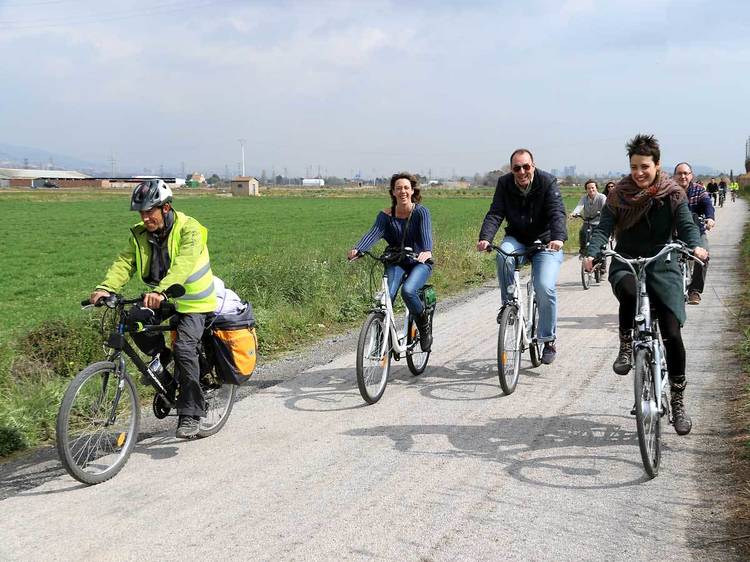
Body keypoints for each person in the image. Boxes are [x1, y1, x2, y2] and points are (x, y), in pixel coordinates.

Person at [584, 134, 708, 435]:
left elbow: (688, 225)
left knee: (671, 332)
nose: (639, 173)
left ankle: (677, 400)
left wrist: (695, 246)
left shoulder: (671, 193)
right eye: (634, 167)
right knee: (627, 291)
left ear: (657, 165)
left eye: (645, 167)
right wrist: (592, 253)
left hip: (662, 263)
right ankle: (626, 344)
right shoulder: (619, 194)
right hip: (627, 259)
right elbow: (603, 229)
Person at [90, 179, 218, 439]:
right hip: (163, 298)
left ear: (166, 208)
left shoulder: (190, 229)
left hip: (194, 300)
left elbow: (183, 263)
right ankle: (163, 360)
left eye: (150, 211)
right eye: (141, 212)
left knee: (184, 347)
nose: (145, 217)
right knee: (134, 318)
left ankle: (191, 413)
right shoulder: (140, 234)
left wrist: (161, 290)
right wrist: (105, 288)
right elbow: (124, 263)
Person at [477, 148, 567, 364]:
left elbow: (557, 212)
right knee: (504, 256)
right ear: (511, 169)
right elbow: (496, 212)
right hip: (517, 237)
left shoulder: (547, 182)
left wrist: (558, 238)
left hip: (546, 241)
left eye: (526, 166)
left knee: (545, 287)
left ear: (533, 166)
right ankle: (508, 304)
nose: (522, 171)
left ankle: (547, 339)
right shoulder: (504, 183)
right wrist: (485, 238)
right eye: (517, 168)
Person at [347, 172, 434, 351]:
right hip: (396, 260)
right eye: (398, 188)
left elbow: (426, 235)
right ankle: (381, 340)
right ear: (393, 192)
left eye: (406, 188)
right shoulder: (385, 215)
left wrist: (426, 251)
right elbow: (374, 233)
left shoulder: (420, 212)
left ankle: (424, 329)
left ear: (412, 191)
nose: (402, 191)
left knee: (409, 291)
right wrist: (359, 249)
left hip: (419, 261)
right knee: (385, 299)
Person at [673, 162, 715, 305]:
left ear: (691, 175)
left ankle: (694, 290)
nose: (683, 176)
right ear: (674, 176)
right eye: (679, 173)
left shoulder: (699, 190)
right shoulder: (669, 191)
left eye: (686, 173)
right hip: (674, 234)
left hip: (697, 232)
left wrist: (710, 218)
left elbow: (708, 205)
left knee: (704, 256)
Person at [569, 179, 607, 258]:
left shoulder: (602, 197)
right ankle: (583, 251)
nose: (591, 190)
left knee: (600, 240)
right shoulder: (584, 198)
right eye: (588, 188)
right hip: (588, 221)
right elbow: (579, 206)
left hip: (599, 222)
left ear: (596, 188)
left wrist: (603, 213)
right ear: (586, 189)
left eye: (593, 188)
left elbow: (605, 207)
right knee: (583, 233)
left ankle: (602, 262)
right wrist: (574, 213)